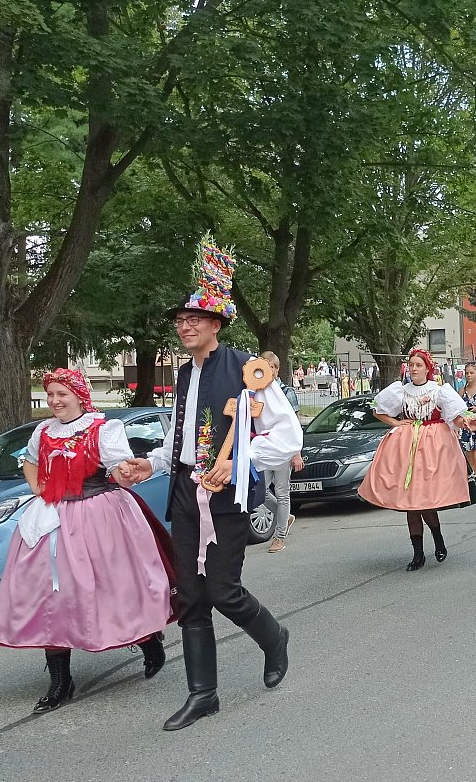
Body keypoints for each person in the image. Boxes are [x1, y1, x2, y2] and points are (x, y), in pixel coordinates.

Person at [118, 240, 303, 732]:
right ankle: (203, 695)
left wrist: (240, 461)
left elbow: (287, 437)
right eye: (180, 319)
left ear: (216, 324)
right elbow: (183, 438)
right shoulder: (182, 375)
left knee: (221, 589)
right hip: (184, 494)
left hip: (228, 496)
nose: (185, 325)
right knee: (190, 596)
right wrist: (150, 463)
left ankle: (274, 637)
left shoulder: (248, 371)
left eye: (195, 318)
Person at [0, 368, 173, 714]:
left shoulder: (104, 429)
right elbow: (30, 464)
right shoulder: (43, 430)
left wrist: (128, 472)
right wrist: (40, 489)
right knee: (50, 595)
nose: (55, 401)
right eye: (51, 394)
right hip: (52, 520)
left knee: (114, 588)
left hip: (98, 515)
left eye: (62, 394)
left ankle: (148, 641)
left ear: (79, 395)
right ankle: (60, 680)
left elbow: (120, 472)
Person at [358, 349, 475, 571]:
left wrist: (466, 422)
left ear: (427, 368)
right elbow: (377, 410)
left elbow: (455, 415)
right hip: (406, 447)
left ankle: (438, 540)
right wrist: (396, 423)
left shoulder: (438, 391)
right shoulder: (401, 391)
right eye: (411, 365)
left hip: (432, 448)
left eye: (418, 365)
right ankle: (418, 554)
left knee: (425, 501)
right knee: (411, 504)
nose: (413, 369)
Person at [259, 352, 306, 554]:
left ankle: (279, 537)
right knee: (259, 492)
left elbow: (295, 425)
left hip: (283, 450)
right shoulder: (257, 389)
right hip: (264, 448)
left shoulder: (286, 392)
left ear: (276, 369)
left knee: (282, 492)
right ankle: (284, 516)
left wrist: (296, 453)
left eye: (270, 367)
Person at [459, 361, 476, 481]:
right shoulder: (462, 390)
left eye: (471, 373)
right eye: (466, 373)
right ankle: (475, 480)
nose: (468, 375)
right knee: (469, 457)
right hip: (466, 427)